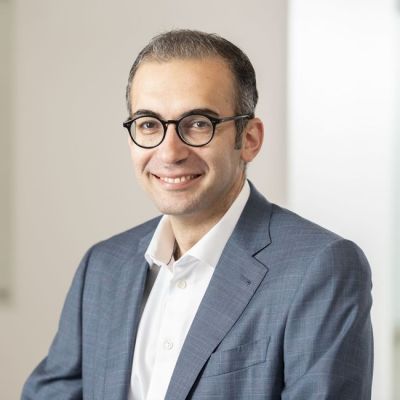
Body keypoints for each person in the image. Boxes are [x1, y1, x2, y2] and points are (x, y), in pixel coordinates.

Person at [22, 30, 373, 400]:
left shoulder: (321, 269)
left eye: (198, 123)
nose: (169, 152)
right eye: (148, 124)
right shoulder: (104, 266)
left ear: (249, 139)